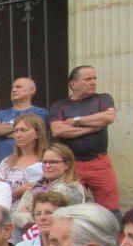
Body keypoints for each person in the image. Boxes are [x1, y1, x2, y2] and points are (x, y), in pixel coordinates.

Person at [49, 66, 119, 215]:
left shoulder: (103, 98)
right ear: (73, 84)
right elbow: (58, 130)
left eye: (94, 78)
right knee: (69, 207)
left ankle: (113, 237)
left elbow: (108, 117)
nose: (93, 82)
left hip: (100, 162)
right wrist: (92, 127)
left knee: (110, 208)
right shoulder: (60, 106)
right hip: (72, 164)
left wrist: (76, 121)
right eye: (88, 79)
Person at [12, 143, 89, 235]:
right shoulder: (36, 186)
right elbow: (18, 214)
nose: (47, 166)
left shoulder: (73, 189)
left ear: (67, 165)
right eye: (44, 162)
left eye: (53, 162)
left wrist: (30, 212)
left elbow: (46, 219)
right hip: (26, 238)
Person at [0, 78, 49, 166]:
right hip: (2, 165)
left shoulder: (40, 113)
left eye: (18, 87)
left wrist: (3, 132)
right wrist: (24, 130)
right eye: (12, 88)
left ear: (32, 90)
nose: (13, 90)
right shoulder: (1, 114)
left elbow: (38, 132)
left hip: (31, 165)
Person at [0, 114, 47, 208]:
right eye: (16, 131)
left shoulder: (47, 160)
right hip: (9, 215)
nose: (18, 135)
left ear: (38, 133)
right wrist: (17, 192)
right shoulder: (7, 162)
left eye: (24, 130)